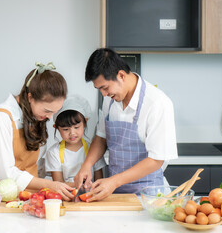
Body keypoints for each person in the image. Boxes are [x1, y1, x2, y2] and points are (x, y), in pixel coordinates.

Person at [74, 48, 178, 201]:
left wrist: (114, 181)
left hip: (149, 195)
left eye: (105, 88)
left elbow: (156, 160)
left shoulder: (157, 103)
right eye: (99, 89)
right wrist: (87, 165)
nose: (103, 94)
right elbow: (101, 137)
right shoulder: (110, 98)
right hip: (115, 191)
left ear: (121, 75)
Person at [0, 62, 74, 201]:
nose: (50, 117)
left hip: (30, 198)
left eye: (55, 112)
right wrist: (51, 185)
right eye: (47, 111)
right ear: (30, 97)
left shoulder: (35, 117)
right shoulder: (2, 118)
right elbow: (6, 174)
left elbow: (37, 166)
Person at [45, 95, 106, 187]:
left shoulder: (94, 150)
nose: (72, 133)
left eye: (76, 127)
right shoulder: (53, 153)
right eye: (66, 129)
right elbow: (58, 185)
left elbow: (99, 181)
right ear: (56, 128)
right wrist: (81, 184)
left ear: (85, 122)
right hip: (66, 197)